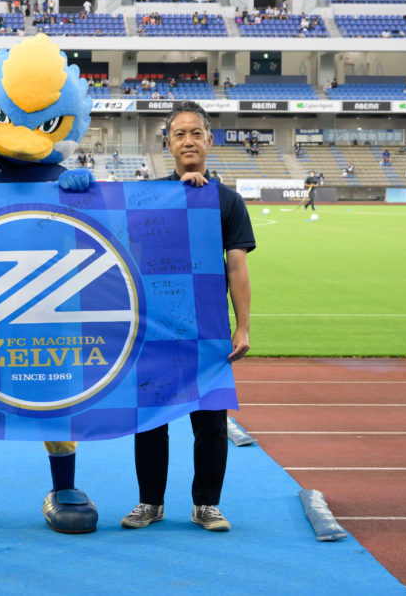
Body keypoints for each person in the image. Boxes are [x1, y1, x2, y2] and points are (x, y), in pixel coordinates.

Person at [121, 101, 254, 532]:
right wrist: (178, 198)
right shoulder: (148, 198)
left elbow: (237, 268)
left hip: (207, 329)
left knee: (211, 421)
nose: (188, 140)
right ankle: (150, 502)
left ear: (210, 140)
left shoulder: (228, 202)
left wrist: (243, 326)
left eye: (196, 132)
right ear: (167, 143)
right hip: (156, 329)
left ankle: (206, 505)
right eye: (179, 134)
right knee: (150, 421)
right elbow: (121, 244)